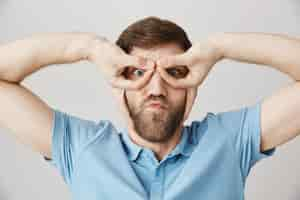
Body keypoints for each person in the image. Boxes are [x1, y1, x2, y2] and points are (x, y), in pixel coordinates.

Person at [0, 16, 299, 200]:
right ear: (118, 85)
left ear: (192, 87)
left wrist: (219, 48)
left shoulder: (228, 142)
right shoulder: (81, 148)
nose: (156, 88)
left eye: (174, 73)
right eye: (138, 74)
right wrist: (88, 47)